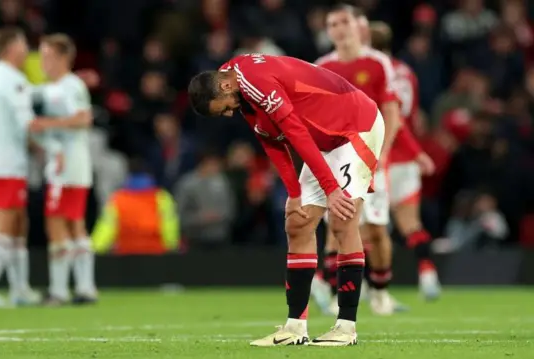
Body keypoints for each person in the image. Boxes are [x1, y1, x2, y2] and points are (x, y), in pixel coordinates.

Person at [188, 51, 387, 345]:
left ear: (226, 88)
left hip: (354, 126)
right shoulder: (234, 82)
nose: (230, 113)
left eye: (225, 108)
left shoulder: (252, 81)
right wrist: (294, 193)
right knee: (297, 223)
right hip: (325, 139)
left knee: (343, 220)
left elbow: (293, 131)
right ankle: (295, 328)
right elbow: (270, 139)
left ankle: (346, 327)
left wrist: (331, 188)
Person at [0, 27, 90, 308]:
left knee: (19, 223)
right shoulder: (13, 80)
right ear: (12, 47)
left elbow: (37, 98)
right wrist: (53, 148)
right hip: (6, 163)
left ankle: (19, 288)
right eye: (24, 44)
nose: (29, 51)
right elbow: (30, 124)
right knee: (6, 223)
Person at [314, 5, 401, 316]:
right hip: (338, 157)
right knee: (339, 226)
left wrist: (384, 152)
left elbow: (391, 111)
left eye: (344, 21)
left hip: (372, 155)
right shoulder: (322, 67)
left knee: (376, 229)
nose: (339, 28)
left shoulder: (378, 64)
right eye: (332, 23)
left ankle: (381, 293)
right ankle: (338, 290)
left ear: (357, 26)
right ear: (328, 31)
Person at [369, 22, 442, 300]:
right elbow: (411, 116)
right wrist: (417, 153)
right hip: (407, 161)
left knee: (368, 228)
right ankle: (427, 273)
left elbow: (393, 119)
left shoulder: (374, 71)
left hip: (380, 157)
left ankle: (369, 288)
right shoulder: (407, 71)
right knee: (410, 224)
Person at [36, 33, 97, 305]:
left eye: (47, 56)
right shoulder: (48, 88)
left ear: (63, 58)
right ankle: (85, 288)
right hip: (67, 162)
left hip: (69, 162)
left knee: (58, 222)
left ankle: (60, 291)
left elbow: (84, 118)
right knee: (74, 223)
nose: (43, 61)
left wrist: (47, 124)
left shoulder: (71, 86)